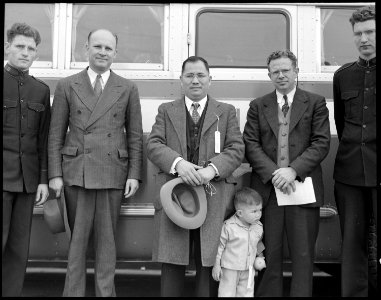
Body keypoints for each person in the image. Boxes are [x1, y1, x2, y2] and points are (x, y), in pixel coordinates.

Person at [48, 29, 143, 297]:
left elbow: (135, 134)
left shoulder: (127, 87)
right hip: (77, 172)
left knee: (107, 243)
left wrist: (134, 174)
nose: (102, 52)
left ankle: (105, 293)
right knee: (76, 243)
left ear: (116, 53)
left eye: (108, 48)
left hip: (113, 172)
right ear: (85, 48)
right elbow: (56, 133)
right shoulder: (67, 85)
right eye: (97, 46)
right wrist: (55, 174)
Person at [146, 56, 245, 297]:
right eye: (189, 75)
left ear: (210, 80)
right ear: (181, 80)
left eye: (201, 75)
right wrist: (179, 164)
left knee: (209, 262)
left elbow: (236, 149)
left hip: (213, 195)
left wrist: (212, 169)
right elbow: (153, 144)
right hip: (177, 196)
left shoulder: (227, 111)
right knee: (172, 261)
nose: (195, 80)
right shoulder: (166, 110)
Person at [243, 50, 330, 297]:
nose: (281, 75)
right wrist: (274, 174)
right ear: (269, 74)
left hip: (302, 189)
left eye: (285, 70)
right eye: (275, 71)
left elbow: (321, 143)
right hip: (267, 192)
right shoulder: (258, 105)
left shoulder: (315, 102)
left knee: (303, 255)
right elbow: (251, 143)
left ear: (296, 71)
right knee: (269, 253)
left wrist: (293, 170)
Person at [2, 23, 51, 296]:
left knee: (19, 249)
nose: (25, 53)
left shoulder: (40, 90)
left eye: (31, 49)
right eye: (20, 46)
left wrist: (43, 179)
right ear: (7, 47)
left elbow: (43, 139)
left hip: (27, 182)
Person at [332, 6, 376, 297]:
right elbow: (341, 121)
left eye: (370, 32)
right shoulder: (343, 75)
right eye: (358, 34)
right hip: (349, 172)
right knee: (352, 244)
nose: (363, 39)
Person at [212, 187, 265, 297]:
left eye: (260, 210)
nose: (258, 214)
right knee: (226, 293)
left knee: (247, 293)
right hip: (230, 268)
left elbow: (258, 242)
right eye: (254, 211)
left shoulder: (258, 226)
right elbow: (220, 247)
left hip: (249, 267)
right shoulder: (229, 226)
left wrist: (261, 256)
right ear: (240, 213)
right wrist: (216, 265)